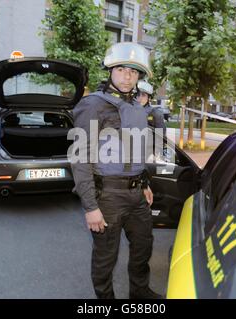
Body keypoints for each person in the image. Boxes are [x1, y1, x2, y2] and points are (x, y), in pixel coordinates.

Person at [71, 42, 162, 299]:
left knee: (143, 248)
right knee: (105, 258)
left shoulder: (136, 107)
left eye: (133, 72)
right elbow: (80, 158)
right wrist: (90, 207)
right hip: (108, 197)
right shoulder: (93, 105)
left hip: (136, 196)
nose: (127, 76)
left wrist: (144, 184)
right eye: (121, 69)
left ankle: (140, 294)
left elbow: (136, 150)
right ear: (110, 70)